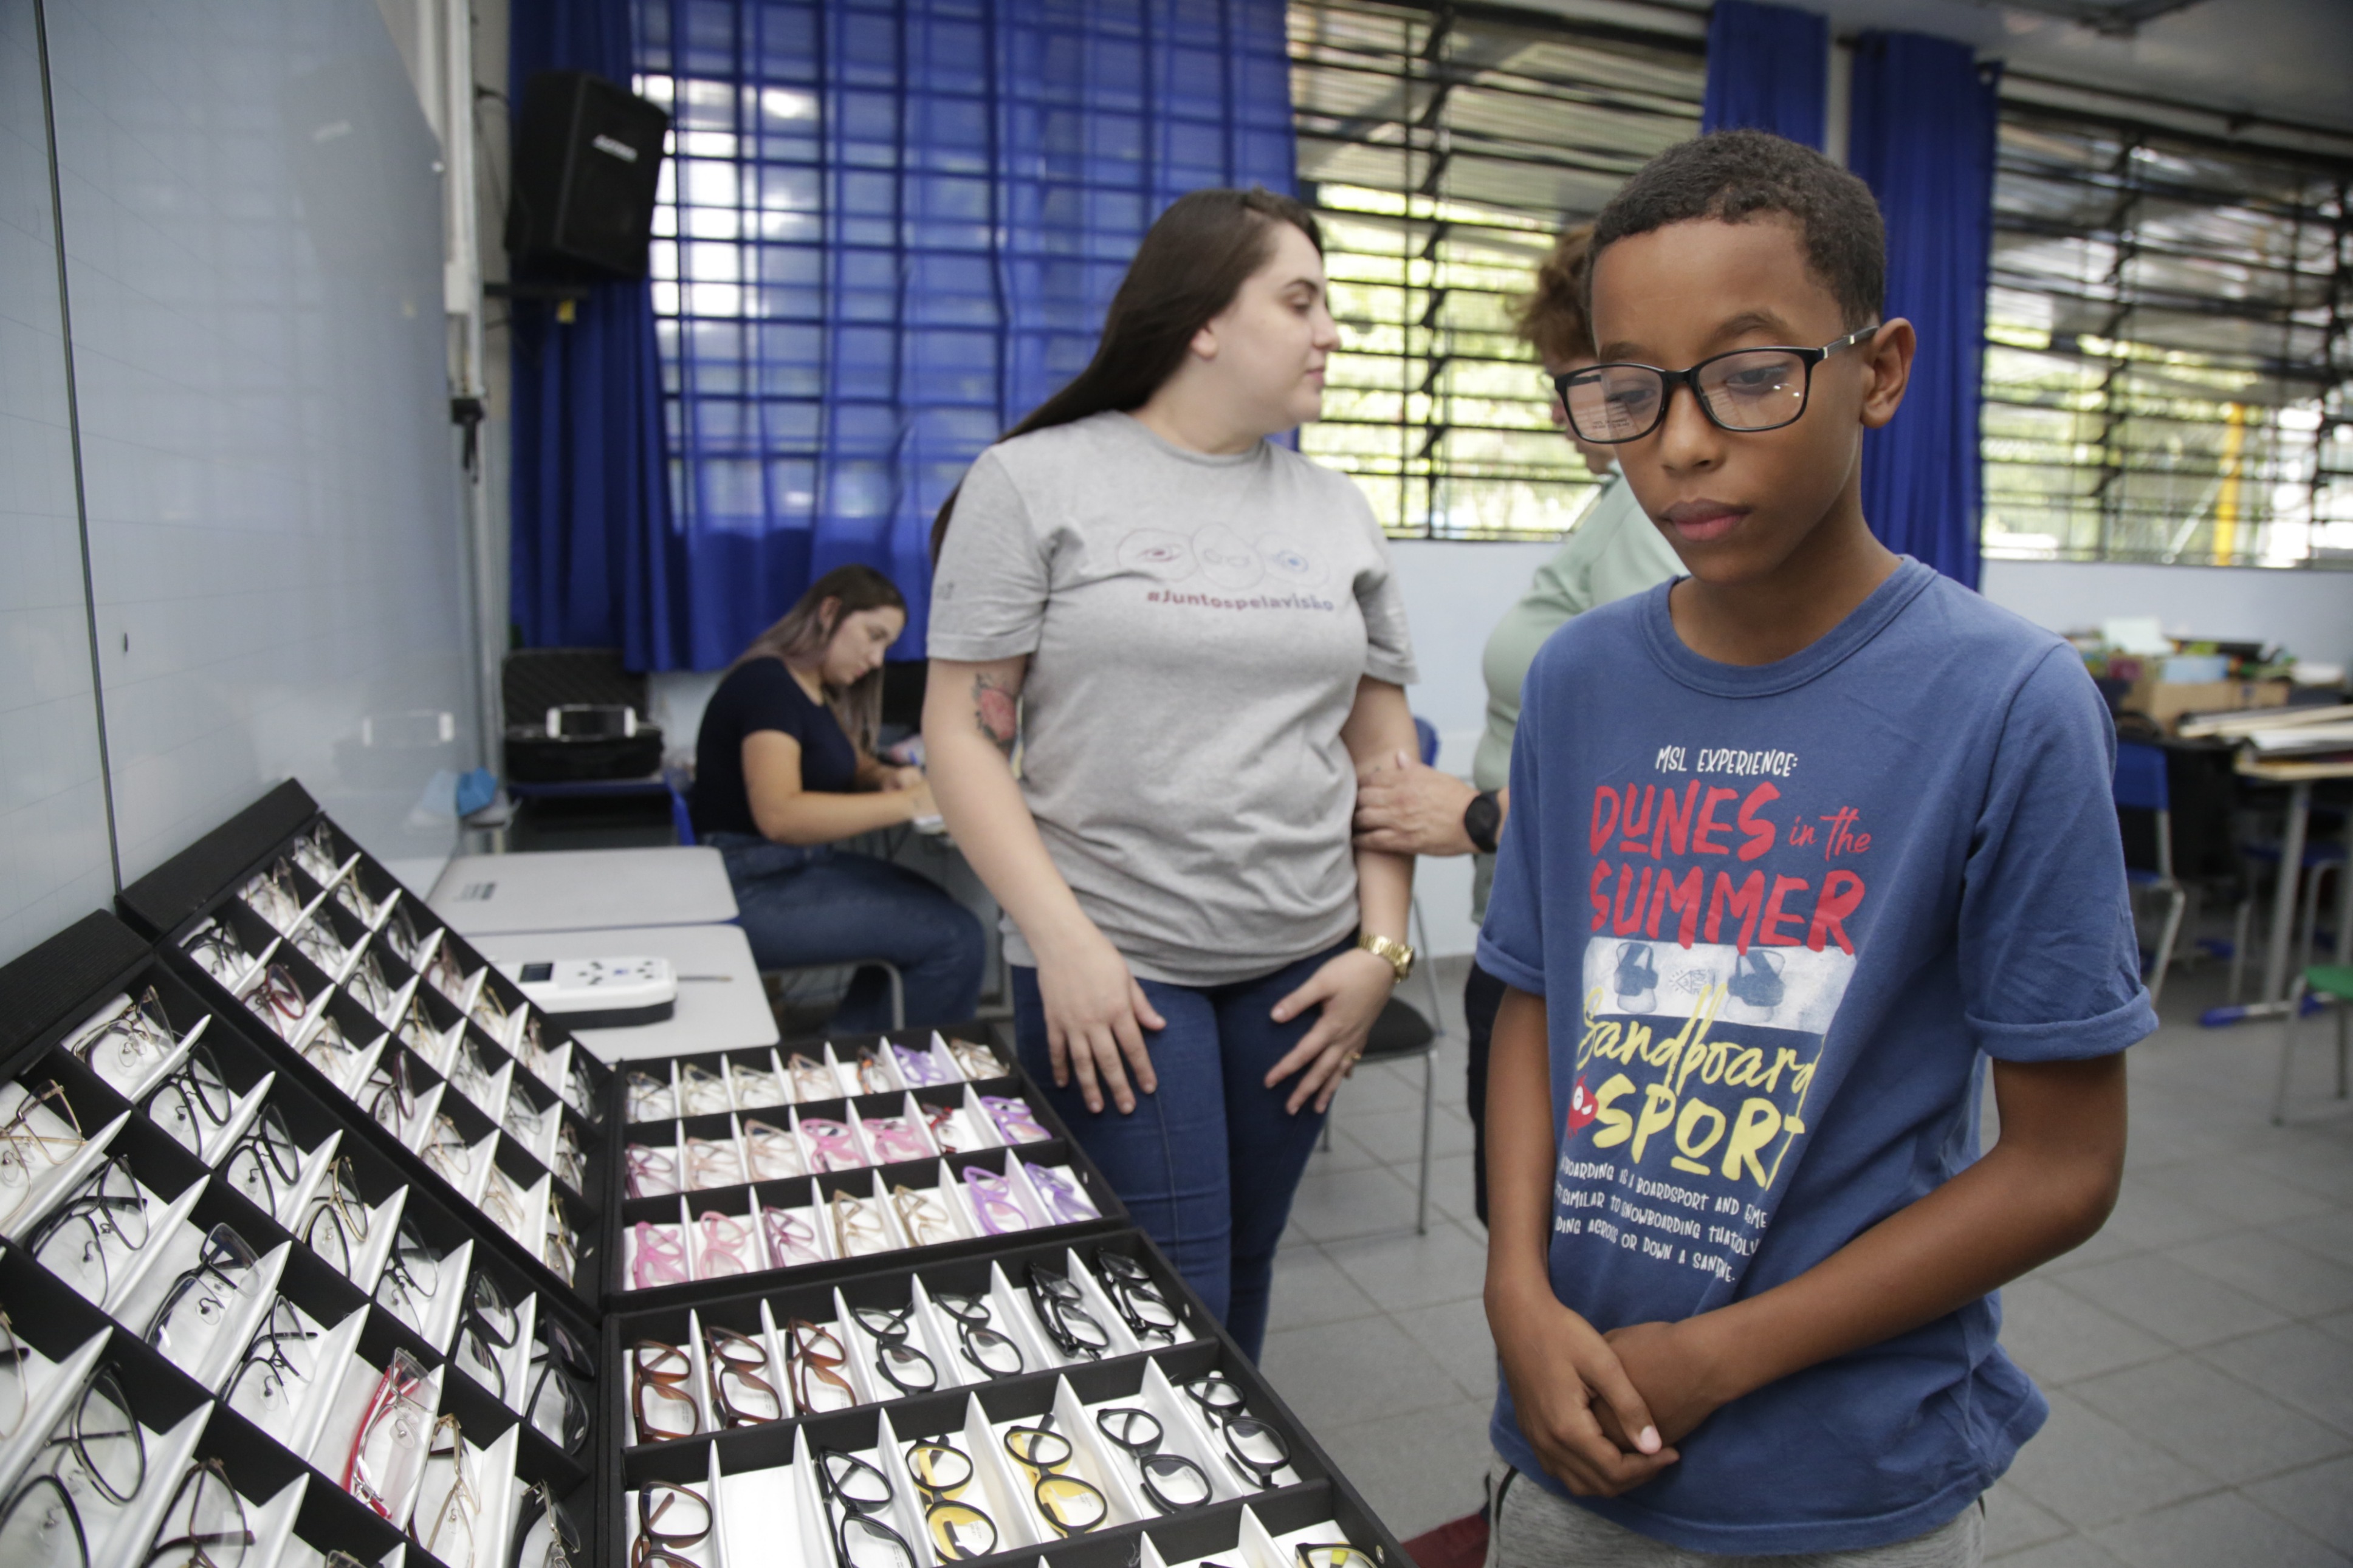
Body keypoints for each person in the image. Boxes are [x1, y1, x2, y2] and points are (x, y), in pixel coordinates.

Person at [1479, 130, 2152, 1565]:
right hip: (1566, 1426)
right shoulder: (1581, 681)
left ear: (1881, 369)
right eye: (1626, 388)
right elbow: (1534, 998)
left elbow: (2062, 1163)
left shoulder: (2007, 699)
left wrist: (1718, 1355)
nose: (1679, 442)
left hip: (1846, 1478)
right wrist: (1513, 1292)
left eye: (1749, 371)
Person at [921, 187, 1421, 1360]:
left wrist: (1380, 951)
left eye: (1329, 307)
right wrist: (1065, 947)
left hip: (1302, 968)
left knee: (1241, 1265)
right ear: (1202, 318)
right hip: (1119, 963)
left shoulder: (1337, 508)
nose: (1330, 333)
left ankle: (1225, 1511)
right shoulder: (1033, 480)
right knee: (1168, 1289)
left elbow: (1386, 758)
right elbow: (962, 736)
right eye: (1299, 302)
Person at [1353, 223, 1683, 1229]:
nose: (1562, 412)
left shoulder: (1654, 506)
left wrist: (1484, 816)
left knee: (1556, 1237)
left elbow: (1666, 761)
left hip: (1585, 943)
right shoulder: (1616, 504)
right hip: (1537, 923)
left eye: (1579, 380)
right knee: (1531, 1232)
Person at [690, 564, 986, 1032]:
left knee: (931, 904)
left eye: (886, 646)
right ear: (830, 612)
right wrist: (914, 803)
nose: (876, 659)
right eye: (873, 636)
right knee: (955, 936)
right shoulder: (768, 686)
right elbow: (780, 814)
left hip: (789, 868)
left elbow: (847, 763)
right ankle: (875, 1071)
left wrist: (887, 777)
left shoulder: (811, 692)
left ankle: (850, 1050)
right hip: (750, 884)